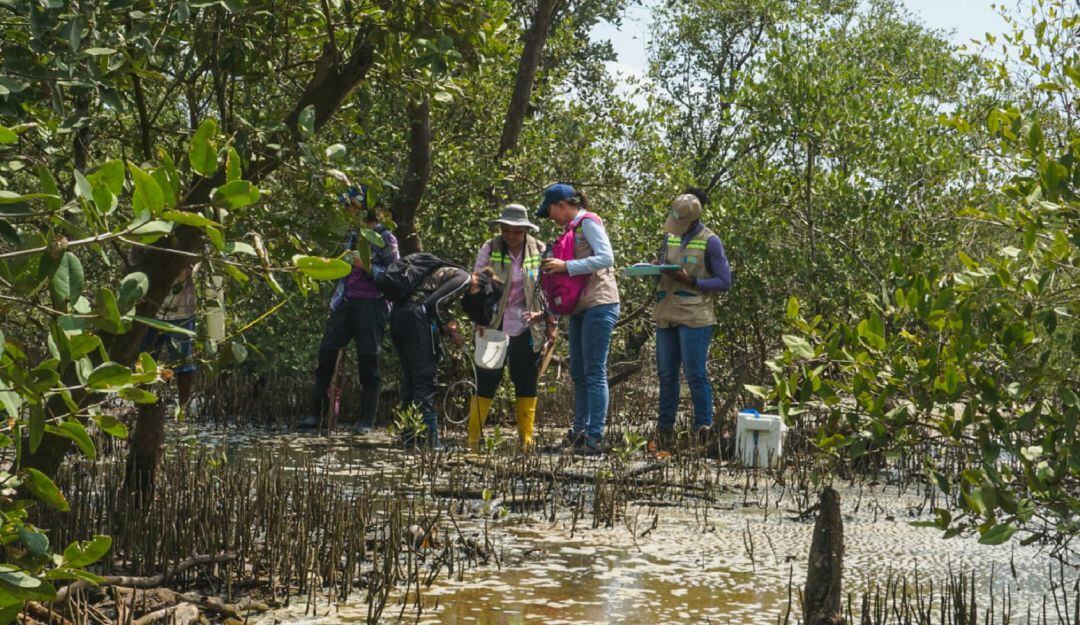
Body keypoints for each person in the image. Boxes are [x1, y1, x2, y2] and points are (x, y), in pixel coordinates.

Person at [300, 184, 399, 432]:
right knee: (326, 354)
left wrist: (368, 267)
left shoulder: (386, 237)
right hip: (345, 302)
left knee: (368, 362)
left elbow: (394, 277)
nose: (347, 211)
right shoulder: (353, 235)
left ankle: (366, 421)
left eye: (351, 207)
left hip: (372, 305)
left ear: (363, 209)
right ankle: (316, 415)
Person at [536, 183, 620, 454]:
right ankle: (579, 433)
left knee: (595, 372)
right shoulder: (570, 229)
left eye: (549, 211)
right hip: (580, 307)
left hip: (600, 304)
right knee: (579, 372)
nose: (550, 217)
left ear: (562, 204)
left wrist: (566, 266)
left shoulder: (588, 222)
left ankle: (595, 437)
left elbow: (607, 257)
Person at [468, 204, 557, 452]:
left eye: (516, 232)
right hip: (494, 324)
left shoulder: (539, 249)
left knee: (526, 380)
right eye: (506, 230)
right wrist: (479, 319)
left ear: (526, 230)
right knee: (486, 379)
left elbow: (550, 287)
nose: (510, 236)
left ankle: (525, 441)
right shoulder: (490, 247)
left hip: (529, 326)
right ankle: (473, 438)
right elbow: (476, 283)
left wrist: (550, 321)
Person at [654, 189, 732, 450]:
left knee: (695, 374)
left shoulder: (710, 241)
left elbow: (724, 281)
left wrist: (693, 281)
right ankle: (664, 428)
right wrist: (655, 268)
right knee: (666, 375)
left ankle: (703, 428)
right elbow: (664, 265)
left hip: (695, 315)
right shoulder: (669, 237)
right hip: (666, 312)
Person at [391, 262, 497, 449]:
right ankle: (431, 441)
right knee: (425, 377)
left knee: (411, 377)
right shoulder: (463, 279)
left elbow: (434, 302)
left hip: (399, 315)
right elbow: (432, 304)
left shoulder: (451, 277)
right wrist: (449, 329)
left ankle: (410, 437)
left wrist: (446, 325)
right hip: (415, 318)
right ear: (479, 287)